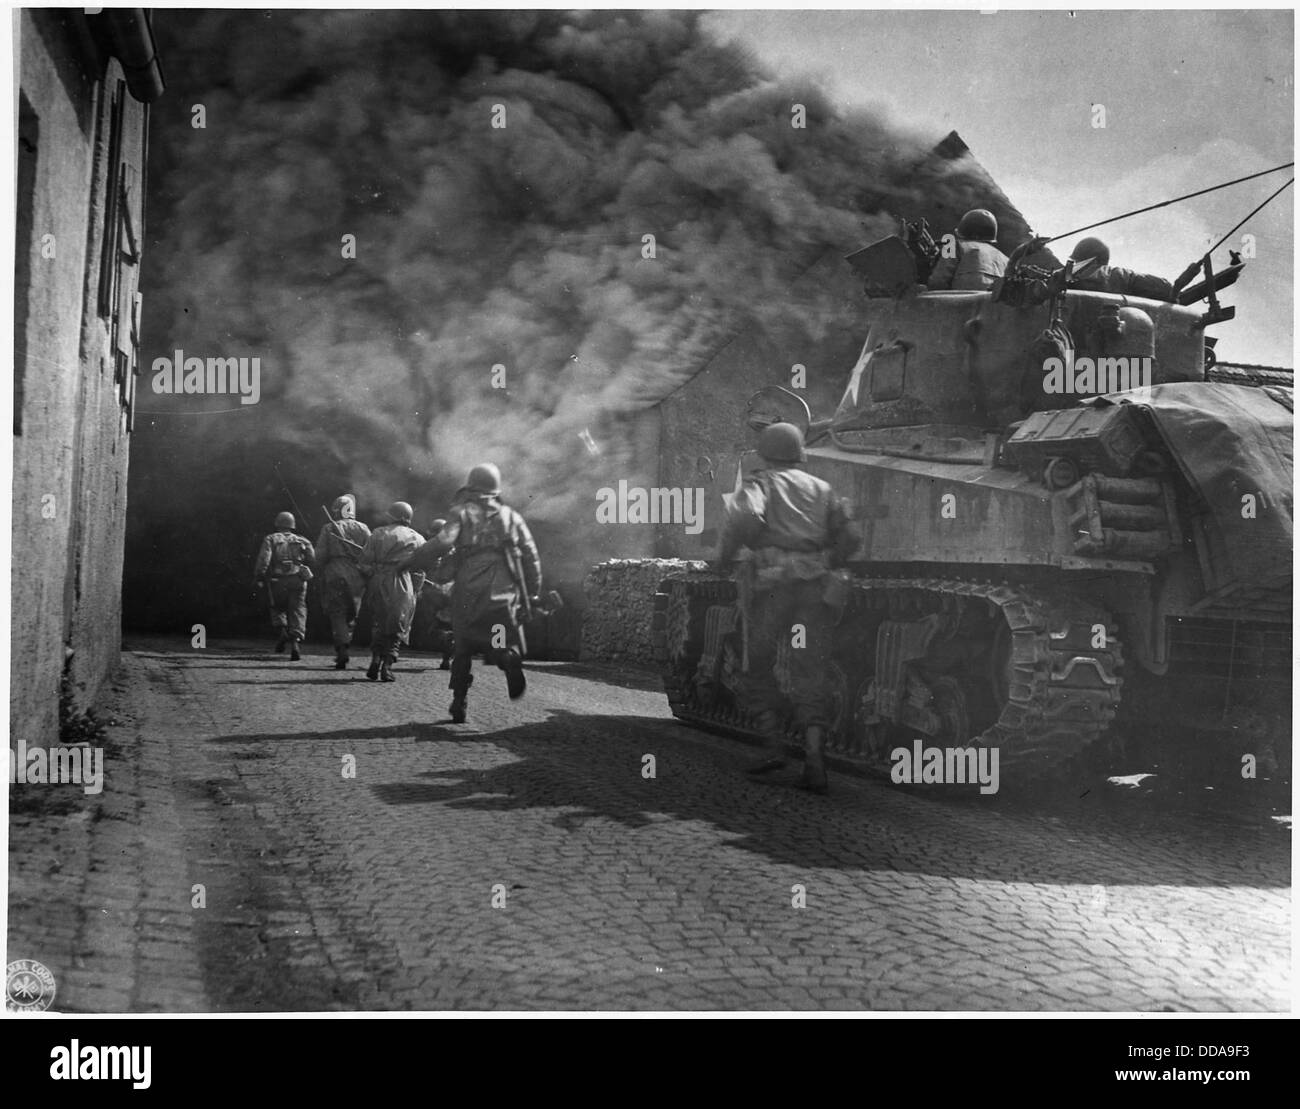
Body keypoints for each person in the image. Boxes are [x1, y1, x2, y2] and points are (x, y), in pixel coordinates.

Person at [720, 422, 857, 794]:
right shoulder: (823, 489)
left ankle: (773, 746)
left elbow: (744, 518)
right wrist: (824, 558)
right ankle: (814, 760)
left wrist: (728, 556)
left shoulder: (761, 482)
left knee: (756, 662)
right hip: (814, 590)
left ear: (766, 452)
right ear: (799, 452)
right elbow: (851, 537)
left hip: (773, 589)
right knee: (810, 670)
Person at [405, 463, 541, 724]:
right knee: (499, 637)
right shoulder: (511, 517)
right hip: (502, 592)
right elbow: (531, 557)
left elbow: (444, 545)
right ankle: (508, 658)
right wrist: (532, 592)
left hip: (469, 590)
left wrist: (416, 561)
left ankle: (459, 700)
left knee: (463, 647)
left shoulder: (463, 514)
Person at [359, 502, 425, 682]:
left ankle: (375, 659)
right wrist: (416, 590)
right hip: (403, 581)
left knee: (379, 622)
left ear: (391, 515)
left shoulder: (377, 533)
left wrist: (373, 575)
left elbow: (364, 562)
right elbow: (420, 569)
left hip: (379, 580)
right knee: (399, 625)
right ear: (408, 517)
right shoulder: (417, 538)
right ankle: (387, 667)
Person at [314, 494, 372, 670]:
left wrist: (321, 568)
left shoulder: (329, 527)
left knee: (337, 611)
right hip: (357, 575)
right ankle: (346, 641)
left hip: (334, 572)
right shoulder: (363, 528)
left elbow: (320, 556)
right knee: (352, 612)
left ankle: (342, 647)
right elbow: (371, 553)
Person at [252, 511, 315, 661]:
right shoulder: (303, 540)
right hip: (298, 580)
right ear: (292, 525)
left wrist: (259, 576)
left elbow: (264, 559)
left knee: (277, 608)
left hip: (278, 580)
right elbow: (312, 559)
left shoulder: (271, 539)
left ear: (278, 524)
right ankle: (295, 643)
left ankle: (283, 632)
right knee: (298, 610)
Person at [926, 208, 1008, 291]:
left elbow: (938, 282)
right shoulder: (1006, 260)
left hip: (958, 302)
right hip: (989, 303)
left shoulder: (952, 245)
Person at [1067, 237, 1174, 300]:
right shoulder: (1123, 276)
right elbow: (1165, 287)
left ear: (1093, 262)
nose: (1075, 266)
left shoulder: (1074, 275)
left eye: (1078, 262)